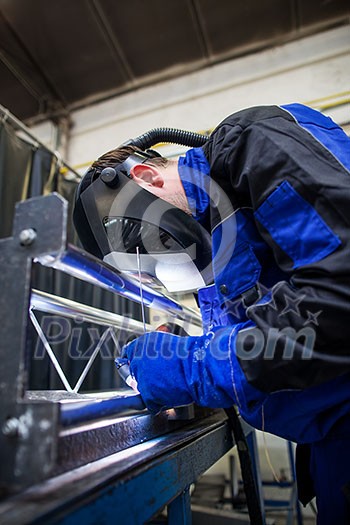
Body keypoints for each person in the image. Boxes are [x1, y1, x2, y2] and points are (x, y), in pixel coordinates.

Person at [73, 103, 350, 523]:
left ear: (146, 177)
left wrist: (191, 367)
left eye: (137, 241)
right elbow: (266, 348)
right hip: (333, 449)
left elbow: (338, 294)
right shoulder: (217, 257)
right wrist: (188, 369)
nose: (151, 259)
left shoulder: (253, 142)